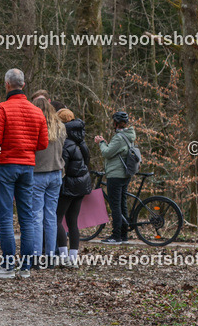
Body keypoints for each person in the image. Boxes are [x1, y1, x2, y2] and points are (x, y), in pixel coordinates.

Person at [0, 68, 48, 279]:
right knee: (27, 217)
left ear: (7, 85)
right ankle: (26, 267)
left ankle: (8, 266)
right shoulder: (37, 111)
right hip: (28, 166)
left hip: (6, 165)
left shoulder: (2, 108)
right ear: (23, 86)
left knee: (4, 216)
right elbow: (43, 143)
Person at [31, 97, 66, 266]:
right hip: (56, 173)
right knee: (51, 216)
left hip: (38, 173)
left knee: (37, 215)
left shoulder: (35, 127)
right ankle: (51, 255)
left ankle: (37, 256)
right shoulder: (60, 126)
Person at [56, 108, 91, 267]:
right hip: (81, 184)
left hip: (69, 185)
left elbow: (62, 166)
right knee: (72, 222)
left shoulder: (65, 143)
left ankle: (63, 256)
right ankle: (73, 258)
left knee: (56, 219)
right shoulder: (80, 140)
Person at [95, 110, 136, 245]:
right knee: (122, 203)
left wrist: (101, 142)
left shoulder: (119, 137)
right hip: (125, 175)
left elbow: (107, 153)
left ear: (116, 123)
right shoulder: (129, 136)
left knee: (115, 205)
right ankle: (124, 235)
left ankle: (116, 236)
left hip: (116, 175)